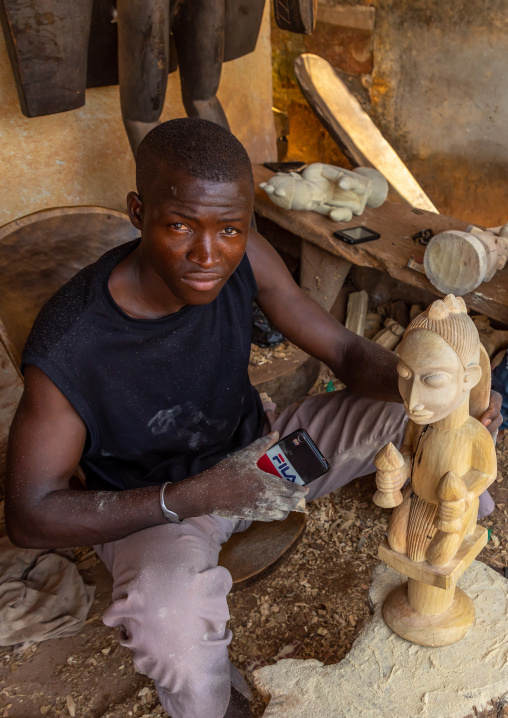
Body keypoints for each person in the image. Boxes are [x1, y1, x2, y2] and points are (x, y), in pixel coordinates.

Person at [5, 119, 502, 718]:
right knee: (170, 627)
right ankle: (216, 706)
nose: (207, 254)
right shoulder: (69, 345)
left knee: (423, 415)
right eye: (179, 226)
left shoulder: (243, 255)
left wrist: (432, 393)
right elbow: (31, 515)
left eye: (230, 229)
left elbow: (343, 353)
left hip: (264, 456)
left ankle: (457, 519)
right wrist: (197, 495)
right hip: (156, 508)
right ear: (138, 212)